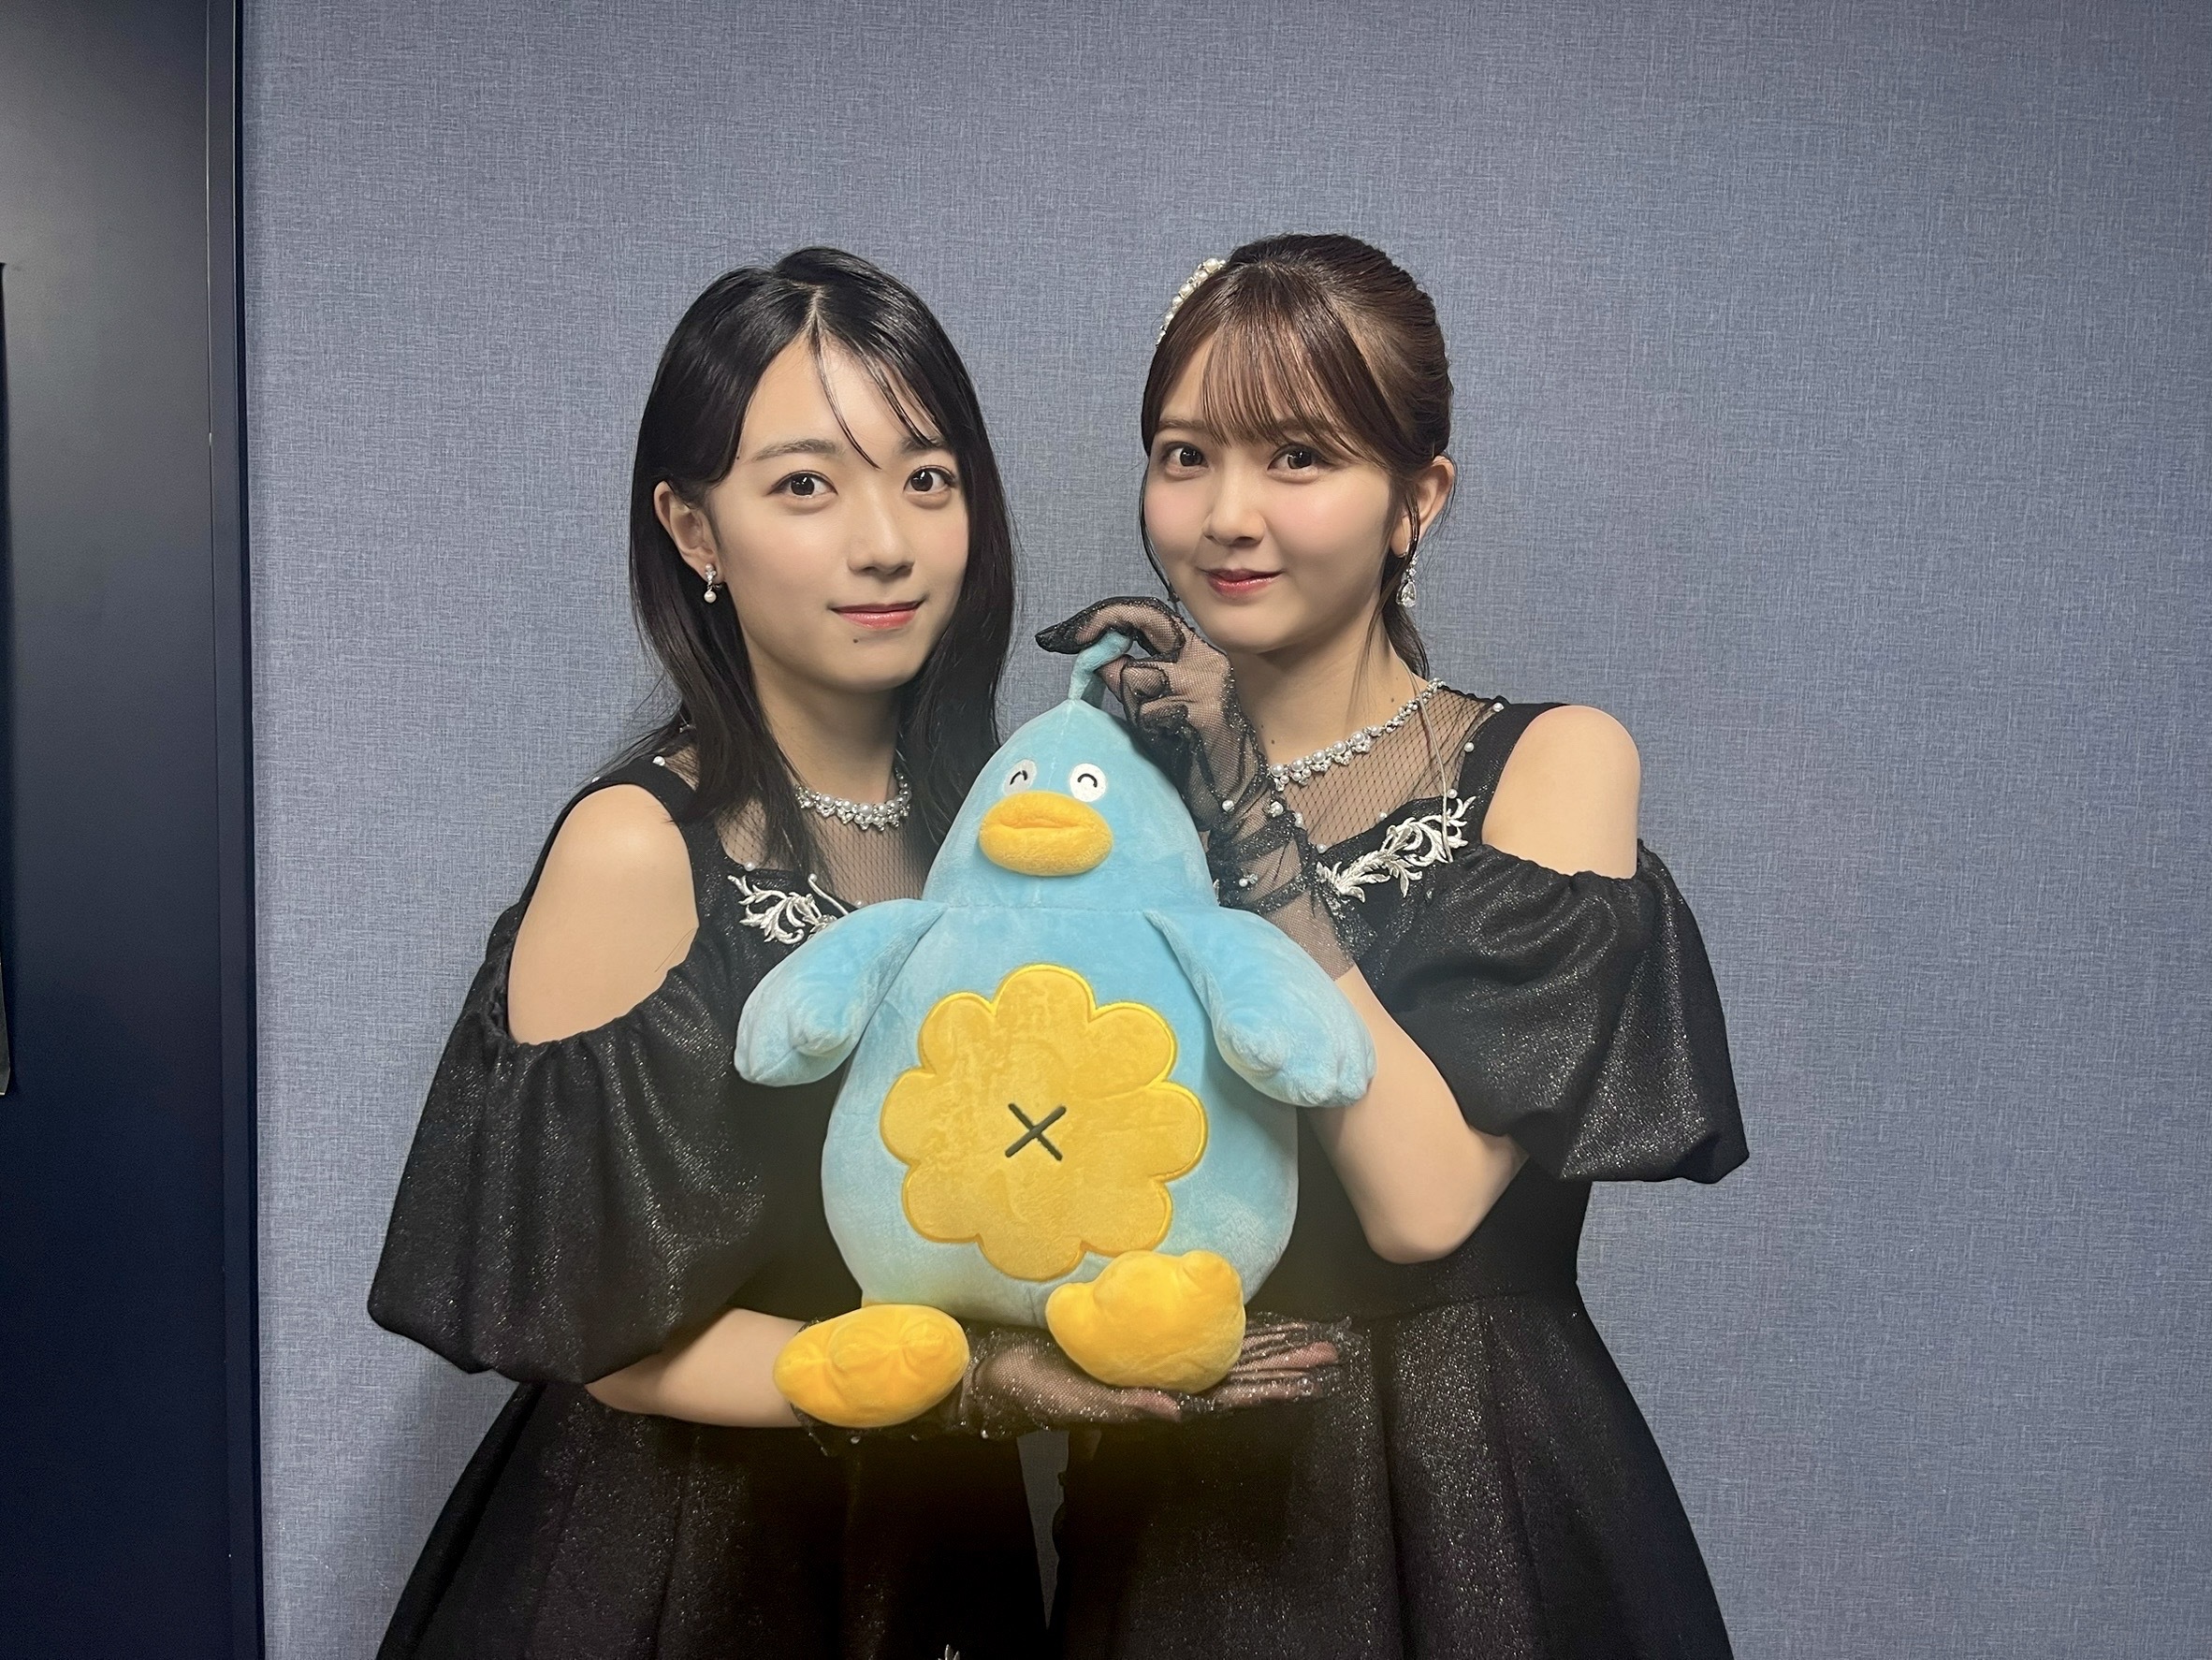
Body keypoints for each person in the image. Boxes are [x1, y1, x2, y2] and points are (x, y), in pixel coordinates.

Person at [1039, 234, 1748, 1658]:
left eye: (1298, 457)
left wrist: (1247, 817)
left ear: (1418, 500)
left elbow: (1423, 1205)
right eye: (1185, 456)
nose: (1228, 515)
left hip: (1473, 1489)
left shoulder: (1553, 763)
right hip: (1182, 1504)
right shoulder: (1105, 797)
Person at [367, 248, 1048, 1659]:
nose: (885, 541)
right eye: (806, 485)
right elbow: (608, 1335)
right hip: (681, 1560)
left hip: (938, 1540)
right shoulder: (635, 846)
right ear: (693, 530)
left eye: (927, 478)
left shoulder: (990, 838)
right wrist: (976, 1380)